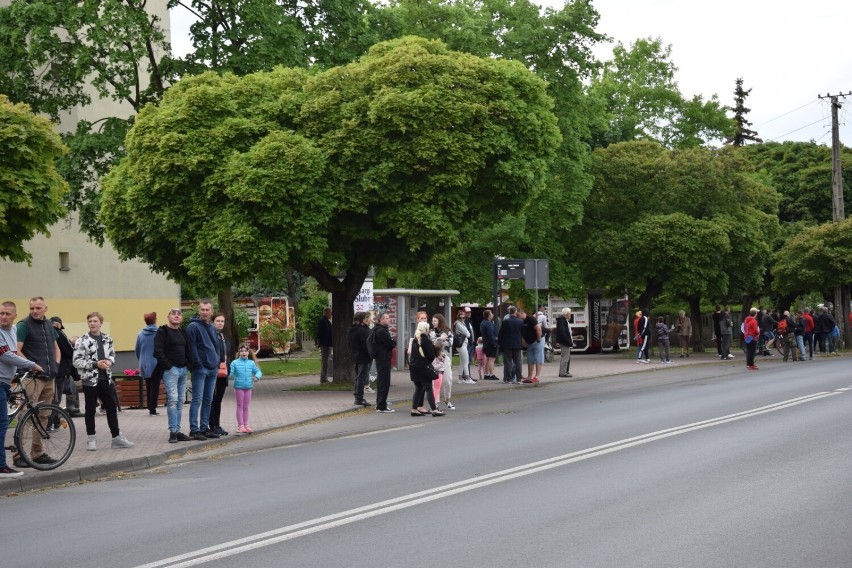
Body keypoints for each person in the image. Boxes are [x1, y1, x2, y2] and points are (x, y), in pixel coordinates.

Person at [73, 312, 134, 451]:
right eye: (90, 321)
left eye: (95, 321)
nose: (92, 323)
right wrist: (95, 364)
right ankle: (91, 439)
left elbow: (112, 354)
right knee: (90, 409)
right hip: (90, 380)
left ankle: (116, 437)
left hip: (106, 378)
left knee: (111, 407)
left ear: (101, 323)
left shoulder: (107, 338)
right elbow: (76, 361)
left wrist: (108, 361)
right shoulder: (82, 340)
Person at [13, 296, 60, 467]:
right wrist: (31, 365)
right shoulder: (23, 325)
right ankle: (19, 456)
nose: (35, 311)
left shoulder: (48, 325)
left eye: (38, 308)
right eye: (32, 308)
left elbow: (55, 346)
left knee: (43, 415)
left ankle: (37, 453)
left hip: (49, 377)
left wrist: (56, 364)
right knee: (25, 415)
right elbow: (16, 350)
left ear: (45, 309)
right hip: (33, 378)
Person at [0, 301, 42, 477]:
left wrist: (21, 368)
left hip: (5, 382)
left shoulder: (14, 329)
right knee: (2, 423)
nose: (3, 316)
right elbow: (6, 355)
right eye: (1, 313)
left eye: (7, 314)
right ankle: (1, 466)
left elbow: (15, 352)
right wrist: (32, 364)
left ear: (14, 316)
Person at [154, 307, 193, 443]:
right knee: (173, 400)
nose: (176, 315)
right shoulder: (162, 331)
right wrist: (169, 366)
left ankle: (177, 430)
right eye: (173, 313)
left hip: (183, 370)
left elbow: (188, 349)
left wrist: (188, 364)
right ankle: (173, 432)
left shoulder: (183, 332)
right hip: (171, 370)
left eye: (179, 314)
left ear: (181, 318)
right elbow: (158, 351)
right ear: (168, 316)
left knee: (180, 401)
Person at [186, 300, 222, 441]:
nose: (205, 312)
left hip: (212, 368)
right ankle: (194, 430)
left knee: (208, 400)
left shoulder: (212, 327)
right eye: (202, 309)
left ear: (211, 311)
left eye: (207, 310)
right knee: (197, 399)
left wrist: (217, 361)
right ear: (199, 310)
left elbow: (216, 345)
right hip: (200, 369)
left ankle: (204, 428)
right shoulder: (192, 327)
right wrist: (198, 364)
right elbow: (192, 347)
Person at [408, 321, 444, 417]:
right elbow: (431, 356)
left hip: (414, 366)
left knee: (418, 388)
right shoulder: (425, 340)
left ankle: (414, 409)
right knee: (428, 388)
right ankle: (434, 409)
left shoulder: (415, 339)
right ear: (426, 330)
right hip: (423, 367)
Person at [50, 315, 82, 418]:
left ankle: (72, 409)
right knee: (56, 398)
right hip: (60, 370)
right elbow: (69, 351)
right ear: (59, 325)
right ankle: (53, 421)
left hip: (55, 370)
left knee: (71, 386)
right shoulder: (59, 333)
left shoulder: (46, 333)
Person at [229, 345, 262, 433]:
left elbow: (258, 371)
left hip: (248, 387)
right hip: (239, 387)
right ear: (239, 353)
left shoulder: (251, 363)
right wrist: (227, 373)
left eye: (245, 351)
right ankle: (240, 425)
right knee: (240, 406)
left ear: (248, 352)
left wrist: (257, 377)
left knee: (246, 407)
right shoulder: (234, 363)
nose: (244, 352)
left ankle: (246, 424)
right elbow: (230, 373)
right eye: (242, 351)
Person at [208, 313, 231, 436]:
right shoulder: (210, 336)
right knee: (211, 400)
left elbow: (227, 354)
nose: (220, 323)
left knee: (218, 400)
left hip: (223, 373)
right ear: (212, 322)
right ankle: (211, 425)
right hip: (212, 372)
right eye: (218, 321)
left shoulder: (223, 337)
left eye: (222, 321)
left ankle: (217, 424)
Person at [135, 312, 161, 416]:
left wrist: (141, 359)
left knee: (148, 385)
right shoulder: (159, 332)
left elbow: (137, 349)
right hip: (156, 363)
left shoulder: (140, 333)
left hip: (144, 363)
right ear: (155, 320)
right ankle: (152, 409)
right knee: (155, 386)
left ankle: (150, 407)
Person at [372, 311, 396, 413]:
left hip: (382, 358)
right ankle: (381, 405)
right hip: (383, 358)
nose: (388, 320)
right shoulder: (381, 331)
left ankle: (381, 403)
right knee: (384, 382)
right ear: (381, 320)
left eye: (388, 318)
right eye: (386, 318)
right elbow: (390, 343)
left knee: (382, 381)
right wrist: (393, 342)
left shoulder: (379, 329)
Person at [430, 313, 455, 409]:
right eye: (432, 321)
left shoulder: (448, 331)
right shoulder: (431, 332)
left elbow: (450, 343)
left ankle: (447, 399)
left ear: (440, 321)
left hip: (445, 357)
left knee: (448, 380)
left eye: (435, 321)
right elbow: (432, 342)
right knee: (435, 381)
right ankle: (436, 402)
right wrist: (440, 339)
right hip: (434, 358)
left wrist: (441, 340)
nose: (433, 323)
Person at [348, 311, 372, 407]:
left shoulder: (352, 329)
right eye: (368, 318)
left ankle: (357, 396)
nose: (370, 320)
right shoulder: (364, 330)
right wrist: (371, 353)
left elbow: (350, 344)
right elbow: (367, 345)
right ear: (364, 320)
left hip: (356, 355)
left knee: (358, 377)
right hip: (364, 356)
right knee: (362, 377)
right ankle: (359, 398)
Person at [498, 306, 524, 383]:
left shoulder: (505, 322)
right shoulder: (520, 322)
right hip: (517, 344)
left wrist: (500, 343)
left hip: (507, 344)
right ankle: (519, 378)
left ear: (509, 312)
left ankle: (507, 378)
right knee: (518, 362)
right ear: (515, 312)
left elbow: (501, 333)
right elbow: (523, 333)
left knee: (508, 362)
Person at [520, 309, 543, 384]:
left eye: (518, 315)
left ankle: (536, 376)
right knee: (530, 360)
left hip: (536, 341)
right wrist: (524, 344)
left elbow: (538, 329)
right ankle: (529, 377)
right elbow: (522, 335)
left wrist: (538, 339)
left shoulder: (531, 319)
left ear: (522, 313)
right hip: (529, 343)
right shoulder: (521, 322)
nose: (518, 317)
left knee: (538, 359)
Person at [454, 309, 473, 384]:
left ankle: (460, 379)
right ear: (458, 318)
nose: (462, 319)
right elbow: (468, 334)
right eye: (460, 318)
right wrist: (467, 333)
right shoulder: (458, 324)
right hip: (461, 345)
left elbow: (468, 333)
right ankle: (467, 378)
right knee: (466, 361)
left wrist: (467, 333)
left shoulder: (462, 324)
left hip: (463, 344)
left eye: (463, 318)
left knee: (462, 362)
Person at [555, 307, 574, 377]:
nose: (570, 315)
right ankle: (563, 372)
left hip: (564, 341)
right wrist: (568, 341)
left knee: (565, 357)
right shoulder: (562, 321)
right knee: (565, 358)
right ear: (567, 314)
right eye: (570, 314)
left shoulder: (562, 320)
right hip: (565, 342)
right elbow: (562, 332)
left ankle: (564, 371)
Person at [315, 307, 333, 383]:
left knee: (326, 361)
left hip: (328, 343)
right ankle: (323, 378)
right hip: (325, 343)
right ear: (326, 313)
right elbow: (319, 333)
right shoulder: (322, 321)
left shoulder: (327, 322)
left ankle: (324, 377)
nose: (331, 314)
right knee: (325, 361)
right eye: (330, 313)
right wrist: (318, 342)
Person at [479, 310, 498, 380]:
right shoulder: (488, 324)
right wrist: (494, 343)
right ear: (488, 315)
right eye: (491, 314)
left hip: (486, 343)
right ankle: (491, 374)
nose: (492, 314)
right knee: (491, 359)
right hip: (490, 343)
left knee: (487, 358)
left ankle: (486, 374)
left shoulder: (483, 323)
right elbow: (490, 334)